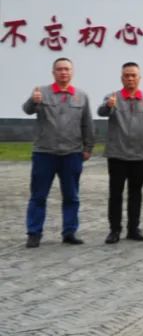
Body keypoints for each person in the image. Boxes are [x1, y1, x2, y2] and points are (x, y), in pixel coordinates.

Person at [23, 58, 94, 248]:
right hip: (44, 153)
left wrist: (88, 147)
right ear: (53, 72)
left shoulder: (81, 96)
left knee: (71, 196)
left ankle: (69, 232)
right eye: (60, 69)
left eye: (67, 69)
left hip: (72, 153)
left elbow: (87, 123)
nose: (63, 72)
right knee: (38, 196)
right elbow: (27, 110)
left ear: (72, 72)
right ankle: (34, 233)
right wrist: (33, 101)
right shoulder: (41, 92)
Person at [98, 62, 143, 244]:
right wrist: (108, 105)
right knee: (115, 194)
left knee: (136, 193)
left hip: (140, 155)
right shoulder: (112, 97)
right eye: (127, 75)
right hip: (117, 154)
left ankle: (134, 229)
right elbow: (101, 112)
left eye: (134, 75)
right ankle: (114, 230)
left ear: (139, 78)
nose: (130, 78)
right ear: (121, 78)